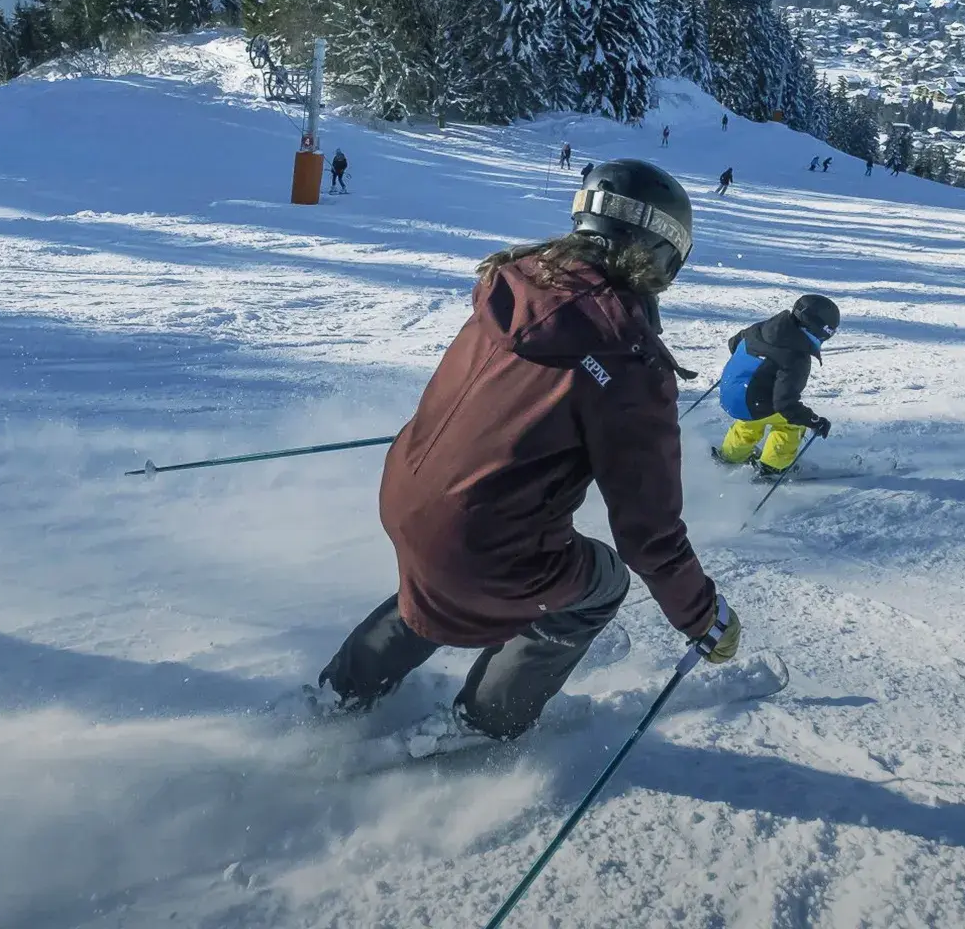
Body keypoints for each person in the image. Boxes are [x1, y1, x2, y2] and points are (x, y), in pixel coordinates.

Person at [315, 160, 738, 746]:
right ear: (665, 253)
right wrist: (702, 615)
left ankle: (343, 688)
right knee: (599, 582)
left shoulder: (517, 282)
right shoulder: (627, 360)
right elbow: (648, 533)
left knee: (440, 580)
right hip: (479, 532)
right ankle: (482, 723)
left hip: (410, 491)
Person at [713, 294, 838, 477]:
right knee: (790, 425)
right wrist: (812, 420)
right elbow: (785, 404)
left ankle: (731, 456)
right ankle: (772, 467)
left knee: (750, 419)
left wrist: (753, 368)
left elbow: (735, 343)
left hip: (731, 393)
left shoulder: (764, 327)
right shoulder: (796, 357)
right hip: (753, 402)